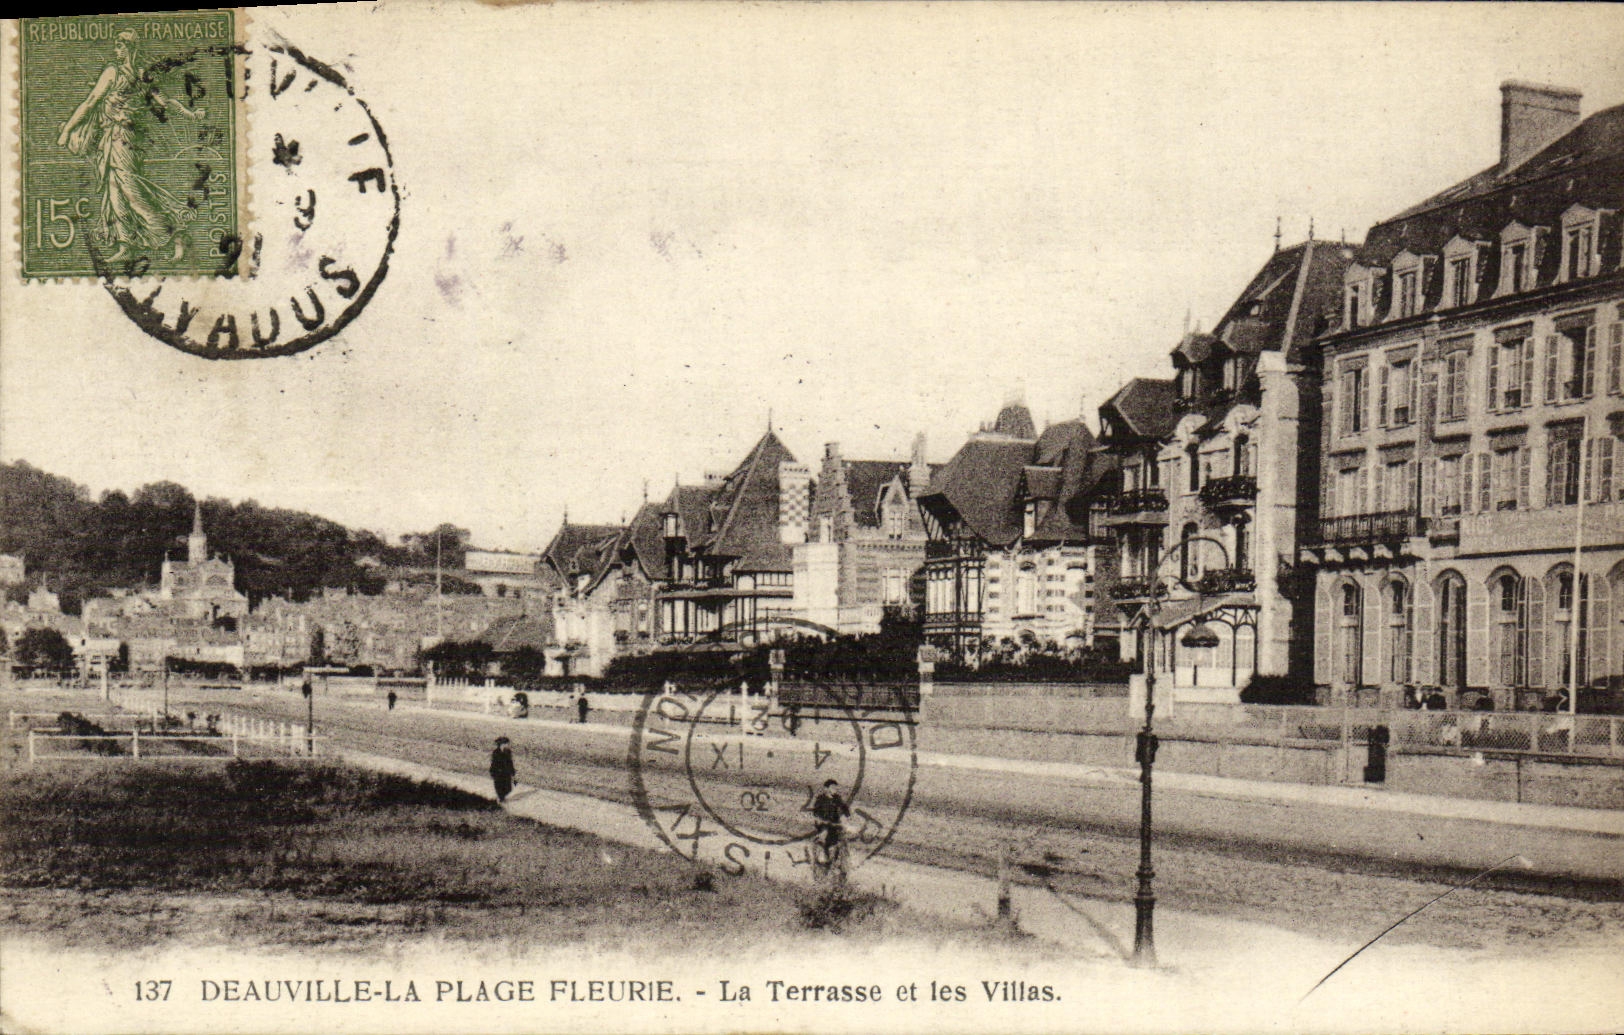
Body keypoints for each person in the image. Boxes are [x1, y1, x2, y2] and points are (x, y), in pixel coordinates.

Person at [56, 29, 205, 263]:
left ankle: (174, 232)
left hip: (126, 139)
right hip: (111, 138)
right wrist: (68, 129)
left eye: (119, 46)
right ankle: (126, 244)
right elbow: (90, 102)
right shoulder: (117, 72)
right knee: (115, 191)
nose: (116, 51)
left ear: (129, 48)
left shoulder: (130, 74)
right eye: (116, 47)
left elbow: (164, 101)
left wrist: (190, 113)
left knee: (131, 189)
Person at [811, 778, 850, 876]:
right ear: (826, 788)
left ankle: (841, 862)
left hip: (835, 824)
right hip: (824, 824)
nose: (835, 789)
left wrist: (846, 816)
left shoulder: (837, 798)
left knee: (842, 840)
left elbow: (845, 809)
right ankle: (822, 859)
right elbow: (815, 812)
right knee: (824, 838)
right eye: (832, 787)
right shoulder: (821, 799)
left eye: (836, 787)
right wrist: (819, 820)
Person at [489, 736, 515, 803]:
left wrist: (512, 771)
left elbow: (510, 762)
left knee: (508, 788)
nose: (508, 745)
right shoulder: (496, 752)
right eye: (507, 743)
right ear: (502, 744)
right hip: (498, 771)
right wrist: (493, 772)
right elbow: (494, 763)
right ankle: (501, 798)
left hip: (506, 772)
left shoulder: (508, 752)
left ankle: (502, 797)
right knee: (499, 785)